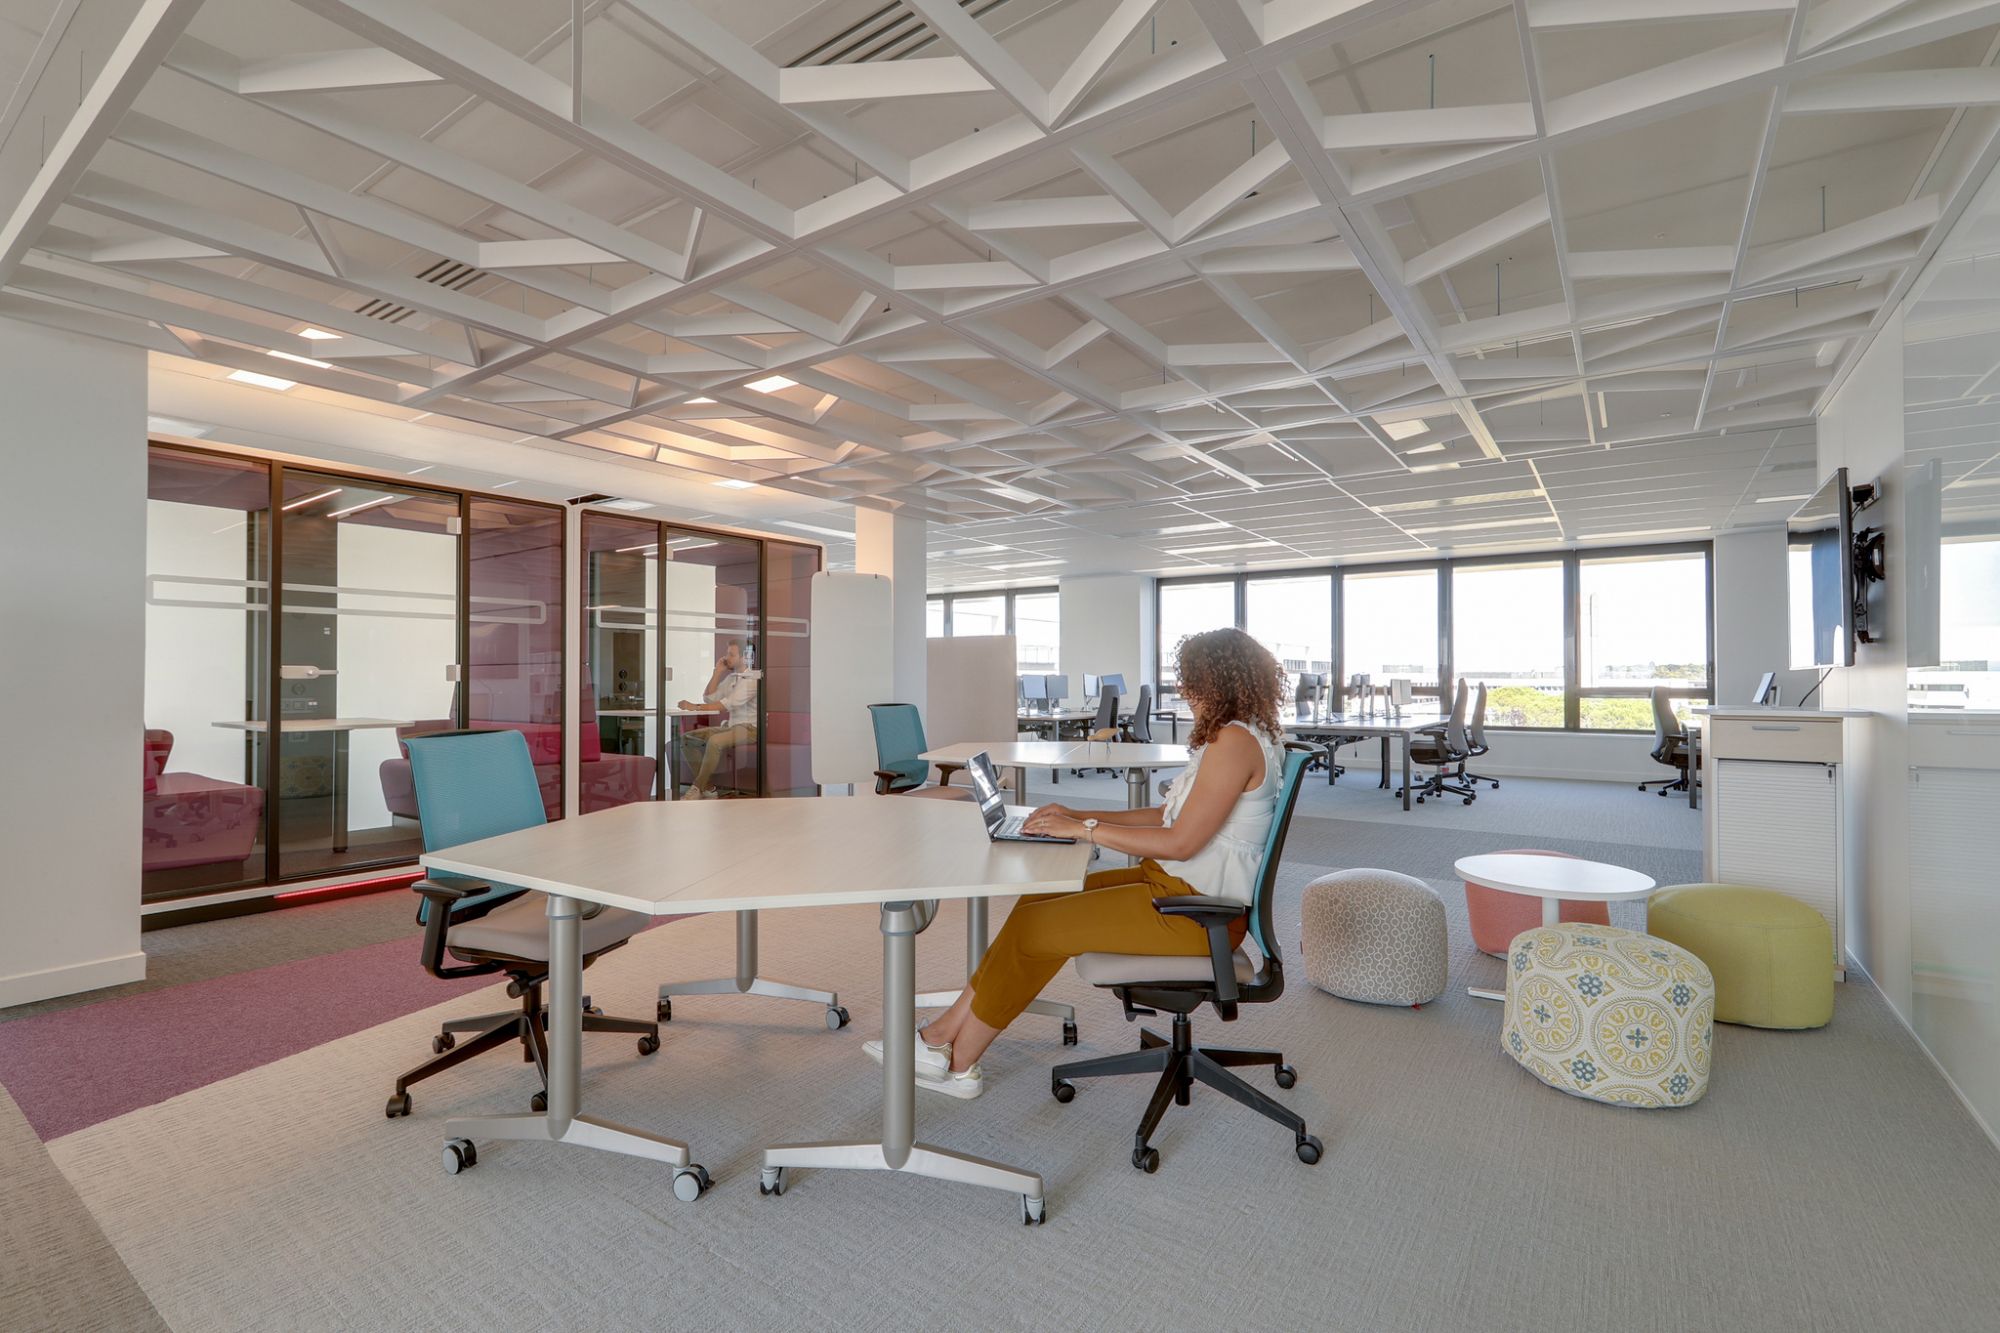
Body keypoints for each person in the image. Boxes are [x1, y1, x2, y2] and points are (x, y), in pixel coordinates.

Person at [865, 626, 1287, 1098]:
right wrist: (1078, 814)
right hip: (1177, 888)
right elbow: (1167, 816)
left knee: (1036, 930)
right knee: (1037, 899)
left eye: (1192, 682)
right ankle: (942, 1035)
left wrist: (1084, 831)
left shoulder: (1234, 742)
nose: (1187, 692)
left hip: (1196, 912)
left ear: (1218, 681)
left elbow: (1182, 842)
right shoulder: (1240, 735)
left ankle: (959, 1061)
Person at [677, 640, 758, 798]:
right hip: (731, 727)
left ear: (745, 657)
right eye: (727, 653)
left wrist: (695, 707)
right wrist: (717, 672)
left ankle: (696, 788)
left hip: (750, 729)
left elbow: (727, 704)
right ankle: (708, 787)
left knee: (714, 741)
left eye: (731, 654)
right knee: (687, 739)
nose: (727, 658)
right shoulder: (732, 678)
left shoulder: (752, 679)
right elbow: (709, 698)